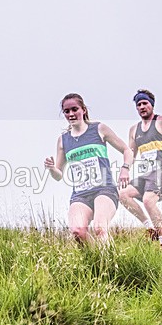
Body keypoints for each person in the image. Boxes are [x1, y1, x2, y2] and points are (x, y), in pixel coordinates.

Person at [44, 93, 133, 243]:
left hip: (104, 189)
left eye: (74, 109)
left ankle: (109, 264)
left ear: (83, 110)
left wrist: (125, 168)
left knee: (99, 228)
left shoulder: (99, 129)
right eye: (67, 111)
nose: (71, 114)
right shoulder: (63, 140)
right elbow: (58, 175)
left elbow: (127, 150)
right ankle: (93, 262)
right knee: (77, 232)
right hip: (80, 194)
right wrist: (52, 168)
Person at [118, 89, 162, 248]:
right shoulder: (133, 130)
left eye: (145, 103)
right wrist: (125, 169)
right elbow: (131, 153)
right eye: (139, 104)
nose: (142, 107)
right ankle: (150, 227)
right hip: (147, 173)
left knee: (148, 201)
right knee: (123, 194)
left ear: (152, 105)